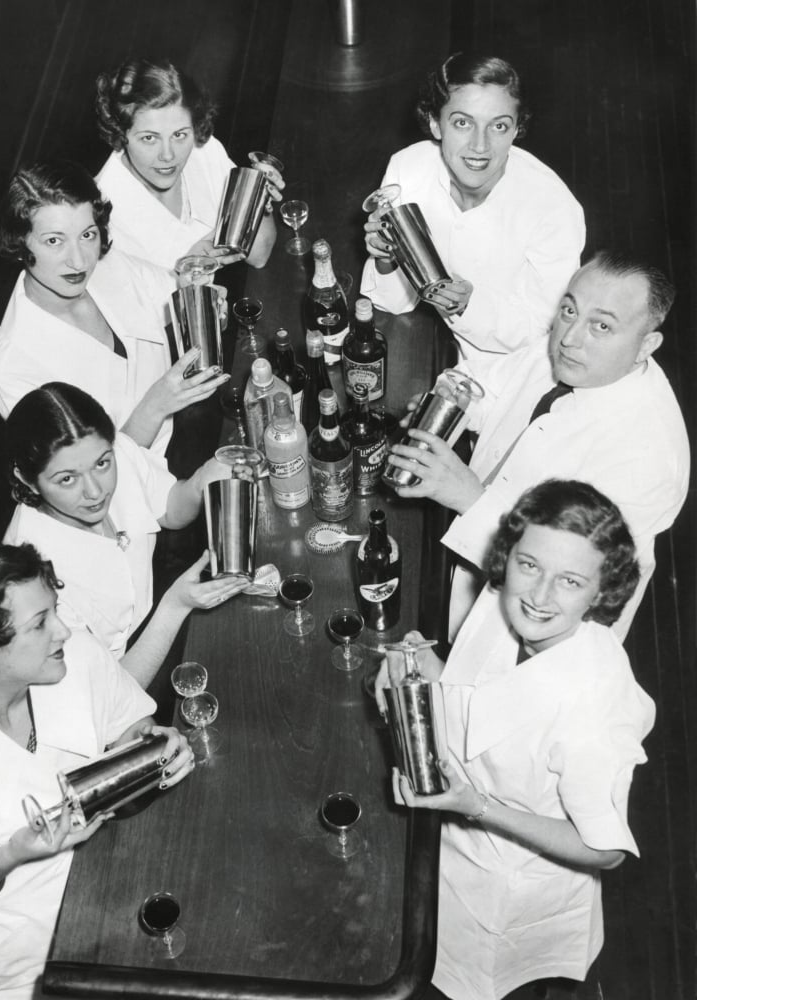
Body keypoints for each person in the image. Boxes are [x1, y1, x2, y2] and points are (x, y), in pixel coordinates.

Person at [376, 480, 655, 1000]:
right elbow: (479, 686)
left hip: (506, 882)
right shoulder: (505, 598)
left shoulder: (594, 705)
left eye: (570, 581)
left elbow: (605, 851)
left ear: (603, 590)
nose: (539, 597)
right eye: (529, 566)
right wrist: (419, 664)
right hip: (440, 847)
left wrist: (478, 807)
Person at [0, 539, 194, 1000]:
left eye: (55, 610)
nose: (63, 631)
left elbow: (131, 726)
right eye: (40, 623)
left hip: (110, 903)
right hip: (9, 960)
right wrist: (16, 852)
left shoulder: (77, 657)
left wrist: (154, 749)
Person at [386, 249, 690, 641]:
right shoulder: (574, 351)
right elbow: (490, 387)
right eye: (569, 311)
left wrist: (470, 499)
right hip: (468, 561)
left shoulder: (646, 460)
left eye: (602, 327)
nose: (570, 339)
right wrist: (451, 404)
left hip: (530, 632)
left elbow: (562, 586)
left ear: (647, 345)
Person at [0, 160, 229, 454]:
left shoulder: (109, 264)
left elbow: (177, 295)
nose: (80, 261)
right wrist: (156, 405)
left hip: (193, 426)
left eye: (87, 235)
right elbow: (93, 481)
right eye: (54, 241)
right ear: (19, 243)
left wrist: (204, 305)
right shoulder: (12, 371)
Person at [3, 381, 247, 675]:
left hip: (159, 616)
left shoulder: (115, 452)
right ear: (28, 480)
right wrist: (176, 604)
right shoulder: (27, 581)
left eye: (102, 464)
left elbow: (168, 509)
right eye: (67, 479)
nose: (95, 491)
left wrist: (199, 482)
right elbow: (109, 702)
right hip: (125, 677)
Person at [360, 52, 585, 360]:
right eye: (463, 123)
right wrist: (386, 259)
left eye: (499, 126)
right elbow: (393, 303)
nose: (480, 146)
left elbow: (545, 330)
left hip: (504, 366)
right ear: (435, 124)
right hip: (423, 340)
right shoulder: (407, 170)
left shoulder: (554, 209)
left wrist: (468, 307)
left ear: (518, 129)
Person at [94, 57, 284, 271]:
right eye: (149, 138)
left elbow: (259, 255)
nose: (168, 155)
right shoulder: (99, 210)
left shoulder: (203, 150)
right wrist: (189, 269)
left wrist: (256, 199)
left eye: (179, 134)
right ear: (120, 133)